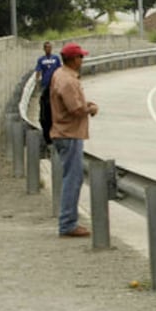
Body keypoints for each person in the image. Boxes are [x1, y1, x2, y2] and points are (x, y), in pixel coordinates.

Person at [49, 43, 99, 238]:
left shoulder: (60, 75)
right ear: (73, 59)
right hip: (69, 134)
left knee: (71, 177)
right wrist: (91, 109)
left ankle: (68, 221)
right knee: (73, 179)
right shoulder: (68, 81)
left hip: (64, 133)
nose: (82, 61)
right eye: (80, 57)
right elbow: (75, 109)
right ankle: (68, 223)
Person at [35, 41, 62, 145]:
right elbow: (38, 71)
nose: (48, 49)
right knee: (45, 105)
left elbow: (60, 69)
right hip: (45, 85)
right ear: (44, 49)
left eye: (50, 48)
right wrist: (37, 82)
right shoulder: (41, 60)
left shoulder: (56, 59)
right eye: (46, 48)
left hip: (55, 85)